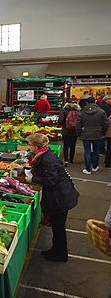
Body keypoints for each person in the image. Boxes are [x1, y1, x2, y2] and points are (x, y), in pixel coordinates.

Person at [25, 133, 79, 262]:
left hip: (60, 198)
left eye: (30, 145)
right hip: (60, 195)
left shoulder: (47, 159)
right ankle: (56, 250)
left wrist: (34, 178)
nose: (29, 147)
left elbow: (51, 180)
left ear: (37, 147)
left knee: (58, 227)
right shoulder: (44, 155)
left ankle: (61, 255)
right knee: (57, 226)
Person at [76, 97, 107, 175]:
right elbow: (105, 124)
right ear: (95, 102)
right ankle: (95, 167)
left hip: (86, 134)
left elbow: (78, 125)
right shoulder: (101, 112)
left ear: (87, 103)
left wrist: (79, 134)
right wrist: (103, 132)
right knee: (96, 151)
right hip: (98, 134)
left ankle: (88, 169)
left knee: (87, 152)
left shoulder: (82, 112)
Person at [58, 98, 80, 166]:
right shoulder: (78, 110)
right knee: (73, 146)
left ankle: (66, 160)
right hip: (75, 131)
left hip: (66, 130)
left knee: (66, 145)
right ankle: (71, 160)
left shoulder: (64, 110)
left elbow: (60, 121)